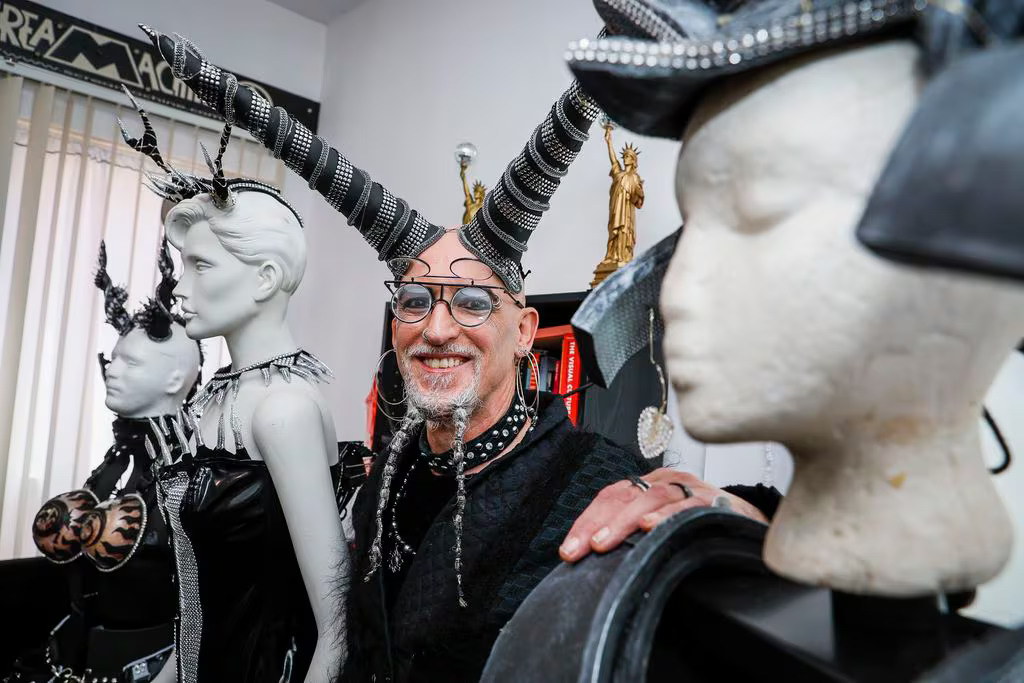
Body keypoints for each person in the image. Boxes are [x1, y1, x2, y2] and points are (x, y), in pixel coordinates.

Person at [141, 26, 779, 681]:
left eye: (472, 303)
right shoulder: (388, 477)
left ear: (526, 329)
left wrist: (736, 511)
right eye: (414, 299)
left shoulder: (594, 484)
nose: (436, 328)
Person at [116, 94, 347, 683]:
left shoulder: (284, 409)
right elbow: (197, 606)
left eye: (203, 267)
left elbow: (338, 630)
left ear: (265, 278)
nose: (180, 288)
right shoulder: (218, 399)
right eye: (183, 265)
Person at [5, 241, 201, 683]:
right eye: (111, 360)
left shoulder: (189, 475)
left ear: (175, 377)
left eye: (130, 362)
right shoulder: (115, 465)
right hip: (64, 656)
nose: (112, 369)